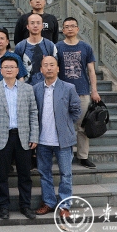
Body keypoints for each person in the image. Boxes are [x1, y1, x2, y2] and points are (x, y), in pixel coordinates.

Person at [0, 57, 38, 220]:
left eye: (12, 67)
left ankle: (25, 205)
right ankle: (3, 206)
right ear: (0, 70)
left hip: (23, 136)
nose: (9, 69)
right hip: (3, 137)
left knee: (25, 175)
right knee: (2, 175)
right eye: (5, 67)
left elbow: (33, 113)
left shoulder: (27, 89)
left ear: (17, 70)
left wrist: (34, 136)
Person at [33, 56, 82, 220]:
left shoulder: (68, 88)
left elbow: (76, 111)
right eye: (45, 65)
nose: (49, 68)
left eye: (52, 65)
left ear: (58, 68)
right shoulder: (36, 89)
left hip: (63, 140)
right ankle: (48, 202)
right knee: (44, 173)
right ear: (41, 69)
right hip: (42, 140)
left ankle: (65, 205)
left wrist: (65, 124)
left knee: (66, 174)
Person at [56, 17, 101, 169]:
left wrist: (94, 90)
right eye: (66, 26)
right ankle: (65, 155)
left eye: (72, 26)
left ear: (77, 29)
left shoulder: (85, 47)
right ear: (63, 30)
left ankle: (83, 156)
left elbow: (91, 71)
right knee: (63, 125)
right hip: (62, 93)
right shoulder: (57, 47)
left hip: (82, 92)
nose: (69, 28)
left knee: (83, 126)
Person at [14, 13, 57, 86]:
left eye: (38, 23)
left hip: (46, 86)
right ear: (27, 26)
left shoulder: (50, 45)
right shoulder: (20, 47)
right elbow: (16, 68)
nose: (35, 25)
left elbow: (55, 66)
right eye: (32, 23)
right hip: (26, 87)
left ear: (42, 26)